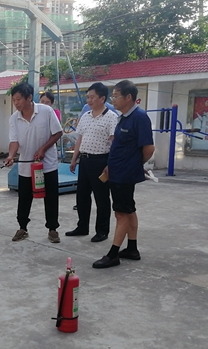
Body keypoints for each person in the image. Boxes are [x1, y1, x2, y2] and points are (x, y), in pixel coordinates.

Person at [93, 80, 155, 269]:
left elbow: (149, 148)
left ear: (129, 97)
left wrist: (135, 165)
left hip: (125, 174)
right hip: (117, 171)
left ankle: (113, 254)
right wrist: (111, 165)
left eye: (116, 95)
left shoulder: (139, 117)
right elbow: (120, 147)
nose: (113, 99)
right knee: (129, 210)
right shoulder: (123, 117)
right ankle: (132, 248)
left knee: (121, 213)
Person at [4, 83, 63, 243]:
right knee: (24, 198)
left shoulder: (46, 111)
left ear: (29, 98)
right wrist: (10, 155)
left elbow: (58, 132)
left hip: (48, 165)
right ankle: (22, 228)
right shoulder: (14, 118)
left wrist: (43, 149)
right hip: (25, 166)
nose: (16, 103)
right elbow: (14, 141)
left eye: (18, 99)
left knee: (51, 198)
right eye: (14, 100)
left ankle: (52, 229)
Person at [66, 82, 117, 242]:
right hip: (85, 160)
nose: (89, 100)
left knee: (101, 197)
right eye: (88, 97)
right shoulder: (85, 117)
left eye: (92, 97)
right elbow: (79, 139)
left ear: (102, 98)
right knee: (82, 196)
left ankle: (102, 231)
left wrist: (110, 165)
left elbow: (114, 143)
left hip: (101, 160)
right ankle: (82, 226)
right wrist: (74, 159)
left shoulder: (112, 117)